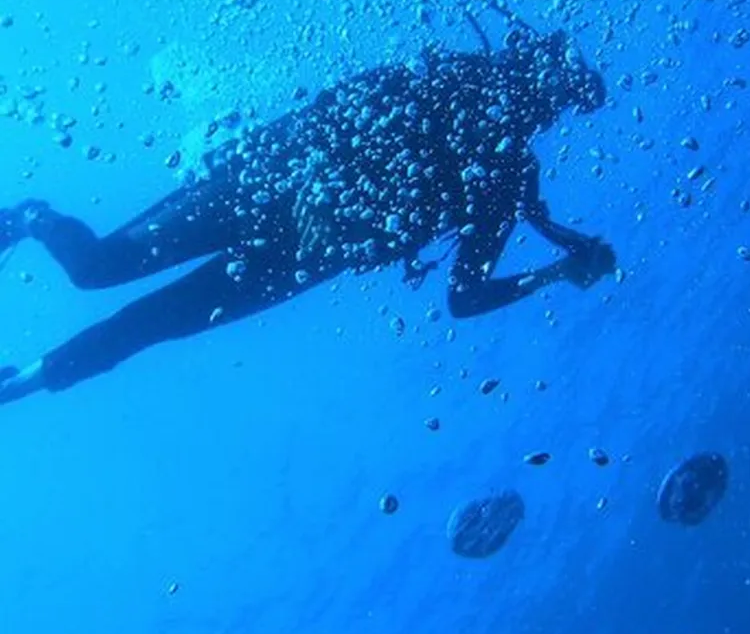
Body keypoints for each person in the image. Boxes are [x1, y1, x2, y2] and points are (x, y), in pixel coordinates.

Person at [0, 24, 615, 405]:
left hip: (312, 255)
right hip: (270, 180)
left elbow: (466, 296)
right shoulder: (454, 76)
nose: (544, 102)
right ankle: (31, 217)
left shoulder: (507, 177)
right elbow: (341, 103)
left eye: (558, 100)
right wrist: (319, 186)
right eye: (549, 83)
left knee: (152, 326)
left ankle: (18, 383)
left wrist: (555, 275)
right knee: (98, 269)